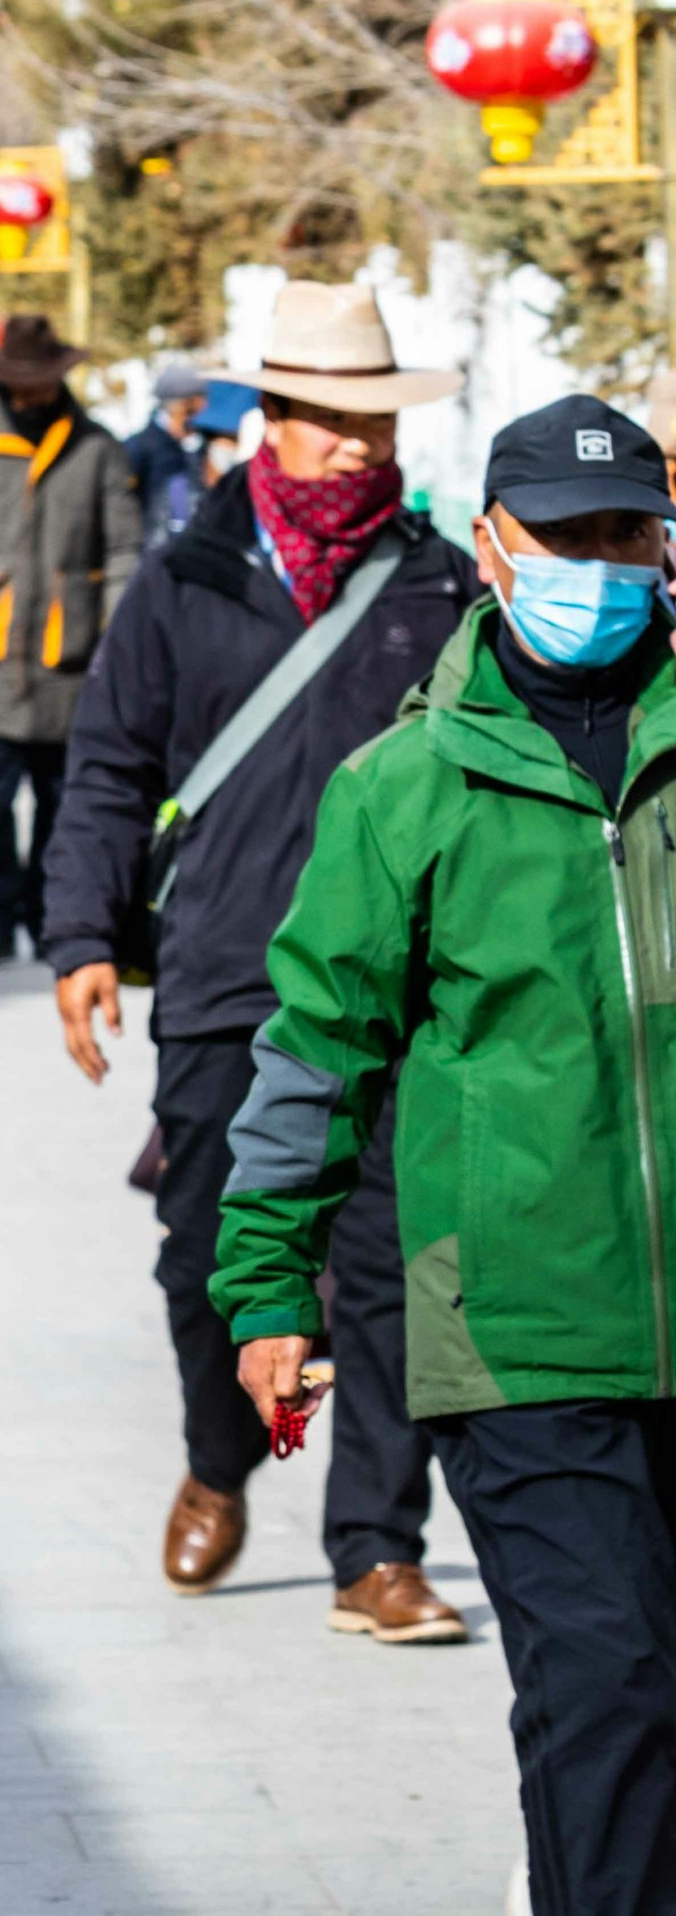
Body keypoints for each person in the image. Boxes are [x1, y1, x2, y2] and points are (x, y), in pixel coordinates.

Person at [214, 396, 676, 1916]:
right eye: (568, 538)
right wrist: (268, 1287)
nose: (604, 567)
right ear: (493, 545)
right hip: (521, 1319)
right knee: (608, 1683)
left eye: (630, 535)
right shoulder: (402, 791)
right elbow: (312, 1054)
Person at [36, 284, 472, 1625]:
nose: (358, 445)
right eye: (333, 421)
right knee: (210, 1257)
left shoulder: (445, 586)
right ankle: (218, 1463)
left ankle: (375, 1550)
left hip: (402, 988)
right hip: (232, 975)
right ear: (268, 423)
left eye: (375, 423)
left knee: (399, 1266)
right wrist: (81, 936)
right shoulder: (185, 583)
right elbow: (108, 768)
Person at [0, 315, 141, 966]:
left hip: (68, 655)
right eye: (22, 385)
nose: (34, 396)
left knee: (61, 798)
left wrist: (116, 644)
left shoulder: (97, 448)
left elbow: (124, 550)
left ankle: (47, 917)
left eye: (44, 384)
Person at [129, 363, 212, 551]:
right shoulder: (140, 447)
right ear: (181, 406)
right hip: (155, 556)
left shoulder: (202, 445)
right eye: (199, 403)